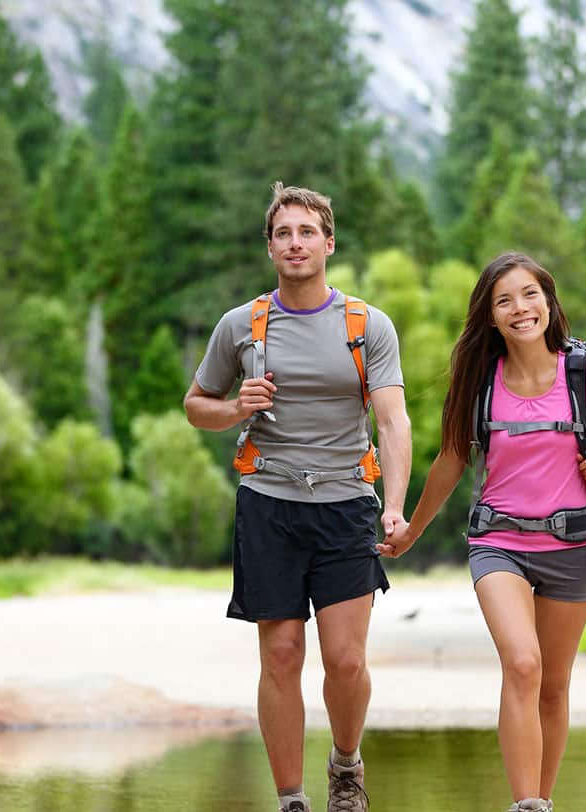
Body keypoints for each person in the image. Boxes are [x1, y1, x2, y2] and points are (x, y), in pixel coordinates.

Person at [377, 252, 586, 812]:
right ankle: (526, 805)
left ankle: (542, 800)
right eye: (504, 300)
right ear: (490, 317)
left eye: (529, 295)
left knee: (552, 684)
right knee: (522, 662)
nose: (520, 308)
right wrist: (412, 531)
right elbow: (451, 459)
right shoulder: (479, 382)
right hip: (499, 543)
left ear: (548, 302)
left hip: (574, 545)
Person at [185, 183, 411, 812]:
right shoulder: (242, 325)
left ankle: (346, 765)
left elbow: (393, 423)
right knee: (281, 653)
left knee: (344, 660)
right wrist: (235, 408)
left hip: (346, 506)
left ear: (329, 243)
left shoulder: (367, 326)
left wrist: (394, 505)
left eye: (306, 232)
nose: (295, 243)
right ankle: (291, 798)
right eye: (283, 233)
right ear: (270, 247)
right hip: (268, 505)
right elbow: (195, 407)